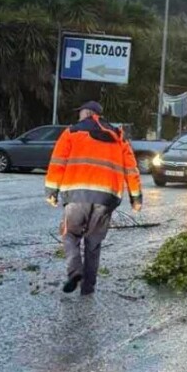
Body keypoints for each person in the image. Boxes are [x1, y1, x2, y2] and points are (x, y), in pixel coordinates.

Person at [45, 101, 142, 296]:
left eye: (80, 112)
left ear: (87, 113)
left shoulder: (71, 132)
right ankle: (88, 288)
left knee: (70, 235)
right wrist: (136, 198)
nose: (78, 116)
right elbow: (131, 169)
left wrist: (51, 192)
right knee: (93, 242)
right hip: (106, 197)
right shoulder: (118, 137)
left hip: (76, 194)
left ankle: (74, 271)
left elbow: (57, 163)